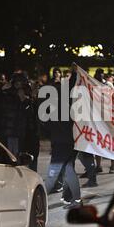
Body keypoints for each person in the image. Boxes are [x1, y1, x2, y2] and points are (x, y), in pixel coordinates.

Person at [43, 63, 82, 209]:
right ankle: (76, 200)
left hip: (61, 141)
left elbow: (45, 123)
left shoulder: (54, 107)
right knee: (69, 170)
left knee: (53, 173)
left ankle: (37, 202)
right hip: (69, 140)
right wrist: (74, 73)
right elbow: (71, 85)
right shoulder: (67, 104)